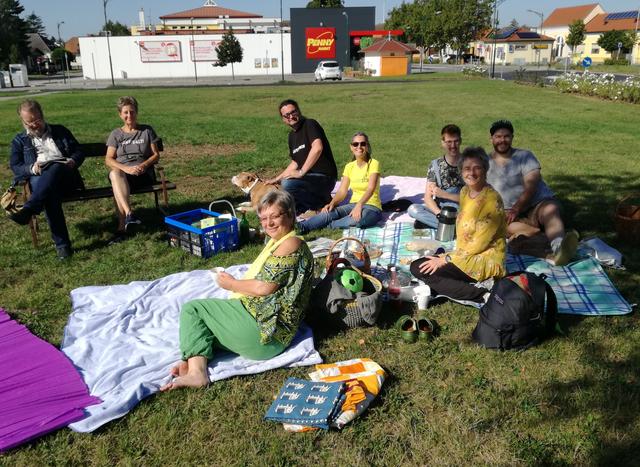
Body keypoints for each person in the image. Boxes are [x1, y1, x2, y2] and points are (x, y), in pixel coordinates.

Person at [161, 190, 314, 391]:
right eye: (264, 218)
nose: (268, 223)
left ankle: (198, 374)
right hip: (271, 334)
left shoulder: (291, 243)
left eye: (275, 216)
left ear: (291, 215)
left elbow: (264, 287)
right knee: (205, 326)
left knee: (193, 309)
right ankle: (192, 363)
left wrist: (231, 284)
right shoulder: (282, 242)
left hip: (264, 331)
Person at [410, 147, 506, 303]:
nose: (472, 173)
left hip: (484, 258)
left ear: (485, 170)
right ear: (461, 171)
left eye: (477, 168)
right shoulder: (464, 192)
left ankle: (482, 295)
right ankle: (453, 286)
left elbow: (478, 245)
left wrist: (445, 259)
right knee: (419, 266)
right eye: (467, 168)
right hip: (463, 253)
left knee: (428, 272)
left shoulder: (491, 200)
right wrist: (445, 257)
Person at [486, 119, 578, 266]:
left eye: (506, 136)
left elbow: (531, 185)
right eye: (498, 136)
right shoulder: (485, 162)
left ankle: (558, 246)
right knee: (511, 236)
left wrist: (517, 208)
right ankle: (550, 246)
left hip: (536, 204)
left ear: (512, 137)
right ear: (491, 139)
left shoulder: (525, 156)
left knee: (550, 209)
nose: (502, 140)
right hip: (511, 215)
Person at [8, 99, 85, 259]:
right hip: (39, 179)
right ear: (22, 121)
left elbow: (78, 150)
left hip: (66, 178)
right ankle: (63, 248)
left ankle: (29, 210)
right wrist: (31, 168)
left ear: (42, 115)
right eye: (29, 122)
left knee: (55, 166)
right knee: (49, 193)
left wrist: (72, 160)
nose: (34, 125)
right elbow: (15, 166)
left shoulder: (60, 131)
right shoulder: (19, 140)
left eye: (37, 120)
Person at [297, 132, 382, 233]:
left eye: (363, 144)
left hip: (372, 207)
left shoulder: (373, 163)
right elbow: (342, 191)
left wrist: (359, 205)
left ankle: (329, 225)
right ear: (351, 147)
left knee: (356, 220)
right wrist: (332, 203)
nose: (359, 146)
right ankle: (300, 227)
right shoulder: (349, 166)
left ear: (367, 146)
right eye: (355, 144)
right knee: (329, 212)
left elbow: (370, 188)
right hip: (353, 205)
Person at [266, 99, 338, 215]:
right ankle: (305, 207)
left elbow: (317, 147)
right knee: (283, 193)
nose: (291, 116)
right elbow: (295, 162)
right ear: (283, 119)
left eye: (293, 112)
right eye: (287, 115)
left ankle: (320, 205)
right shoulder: (291, 136)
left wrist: (301, 172)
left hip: (324, 177)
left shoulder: (310, 124)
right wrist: (276, 179)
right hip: (308, 179)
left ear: (298, 111)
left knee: (288, 184)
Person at [105, 96, 161, 243]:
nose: (129, 115)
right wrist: (126, 169)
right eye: (126, 112)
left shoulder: (146, 131)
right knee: (115, 174)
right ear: (120, 114)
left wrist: (144, 165)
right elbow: (108, 159)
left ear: (137, 112)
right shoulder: (116, 134)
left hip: (143, 174)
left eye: (132, 111)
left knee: (116, 184)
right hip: (124, 173)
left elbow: (156, 155)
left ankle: (121, 228)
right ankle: (129, 213)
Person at [408, 124, 465, 229]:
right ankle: (449, 227)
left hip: (462, 211)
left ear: (460, 141)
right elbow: (427, 197)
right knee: (413, 209)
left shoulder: (468, 164)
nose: (453, 146)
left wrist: (444, 194)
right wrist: (439, 215)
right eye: (449, 142)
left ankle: (440, 225)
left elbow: (472, 198)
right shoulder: (435, 165)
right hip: (442, 210)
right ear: (442, 143)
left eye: (456, 141)